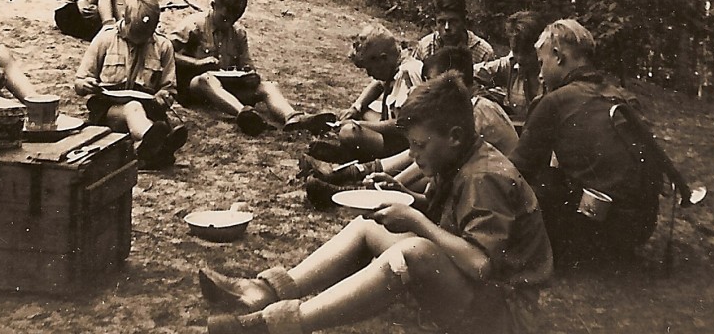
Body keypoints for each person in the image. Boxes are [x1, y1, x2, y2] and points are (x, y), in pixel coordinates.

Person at [199, 73, 553, 334]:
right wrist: (400, 195)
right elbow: (442, 215)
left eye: (418, 145)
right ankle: (263, 292)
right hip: (479, 291)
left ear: (455, 136)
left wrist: (413, 219)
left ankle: (280, 325)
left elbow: (479, 264)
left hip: (506, 313)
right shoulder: (456, 157)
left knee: (413, 252)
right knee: (371, 225)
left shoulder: (482, 176)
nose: (412, 155)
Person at [509, 19, 692, 266]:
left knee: (537, 182)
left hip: (595, 234)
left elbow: (517, 171)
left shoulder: (555, 102)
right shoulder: (622, 96)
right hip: (639, 229)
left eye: (542, 63)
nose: (540, 74)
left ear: (558, 56)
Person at [304, 45, 518, 208]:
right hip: (471, 183)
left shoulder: (477, 111)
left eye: (434, 84)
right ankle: (351, 180)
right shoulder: (464, 107)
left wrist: (394, 183)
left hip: (492, 193)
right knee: (422, 165)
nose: (429, 90)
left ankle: (354, 188)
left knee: (424, 169)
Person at [169, 0, 333, 136]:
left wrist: (250, 76)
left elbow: (247, 66)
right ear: (213, 6)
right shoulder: (194, 25)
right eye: (224, 18)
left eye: (232, 20)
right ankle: (244, 114)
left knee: (268, 86)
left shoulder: (238, 33)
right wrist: (197, 63)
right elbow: (166, 52)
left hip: (228, 89)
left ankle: (292, 117)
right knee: (205, 79)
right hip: (197, 88)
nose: (227, 24)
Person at [75, 0, 187, 168]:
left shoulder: (163, 46)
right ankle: (155, 143)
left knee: (139, 110)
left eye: (144, 36)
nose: (138, 41)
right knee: (132, 108)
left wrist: (163, 96)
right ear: (124, 19)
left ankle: (150, 148)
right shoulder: (105, 39)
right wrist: (87, 84)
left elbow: (169, 89)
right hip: (109, 110)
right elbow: (80, 82)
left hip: (149, 109)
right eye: (134, 33)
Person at [307, 24, 421, 164]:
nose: (369, 74)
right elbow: (377, 85)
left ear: (383, 58)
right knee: (364, 112)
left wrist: (359, 124)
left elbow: (403, 125)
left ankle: (350, 155)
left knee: (349, 132)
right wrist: (356, 108)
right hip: (396, 131)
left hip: (405, 144)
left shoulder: (407, 74)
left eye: (369, 67)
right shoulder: (396, 64)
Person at [475, 10, 546, 120]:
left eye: (527, 52)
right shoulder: (511, 65)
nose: (521, 58)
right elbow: (476, 71)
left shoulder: (553, 73)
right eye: (516, 51)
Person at [411, 0, 494, 67]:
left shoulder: (483, 52)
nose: (447, 28)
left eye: (453, 22)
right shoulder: (425, 46)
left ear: (463, 21)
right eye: (441, 22)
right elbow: (411, 77)